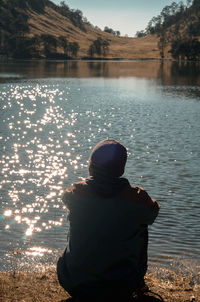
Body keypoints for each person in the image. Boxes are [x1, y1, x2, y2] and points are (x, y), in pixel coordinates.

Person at [57, 139, 160, 302]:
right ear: (121, 168)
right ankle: (137, 283)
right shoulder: (138, 198)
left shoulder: (76, 192)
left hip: (75, 282)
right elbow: (153, 212)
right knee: (141, 224)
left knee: (78, 222)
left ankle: (84, 271)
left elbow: (66, 199)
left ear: (91, 166)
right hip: (123, 285)